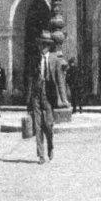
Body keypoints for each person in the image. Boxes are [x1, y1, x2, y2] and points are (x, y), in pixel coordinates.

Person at [26, 30, 63, 164]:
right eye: (40, 45)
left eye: (44, 45)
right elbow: (30, 80)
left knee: (48, 125)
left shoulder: (54, 59)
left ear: (48, 46)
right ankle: (41, 155)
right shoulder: (34, 59)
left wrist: (62, 99)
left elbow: (59, 81)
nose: (41, 47)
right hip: (36, 95)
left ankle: (50, 146)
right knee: (37, 126)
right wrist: (28, 100)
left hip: (48, 95)